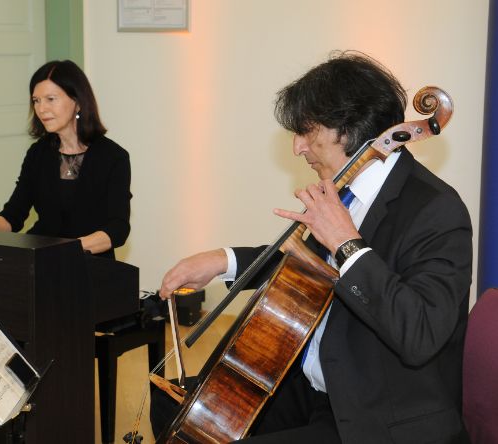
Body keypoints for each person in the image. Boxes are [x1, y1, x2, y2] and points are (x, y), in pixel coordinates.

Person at [152, 51, 472, 443]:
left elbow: (419, 334)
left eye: (306, 131)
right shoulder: (343, 191)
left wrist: (346, 244)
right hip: (314, 387)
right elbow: (306, 270)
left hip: (379, 415)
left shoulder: (436, 209)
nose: (297, 148)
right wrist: (224, 261)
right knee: (174, 408)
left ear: (351, 127)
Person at [0, 60, 131, 259]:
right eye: (36, 100)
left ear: (77, 102)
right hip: (40, 260)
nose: (41, 109)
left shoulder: (113, 157)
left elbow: (117, 229)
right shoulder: (38, 153)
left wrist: (65, 250)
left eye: (50, 99)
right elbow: (14, 214)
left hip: (90, 264)